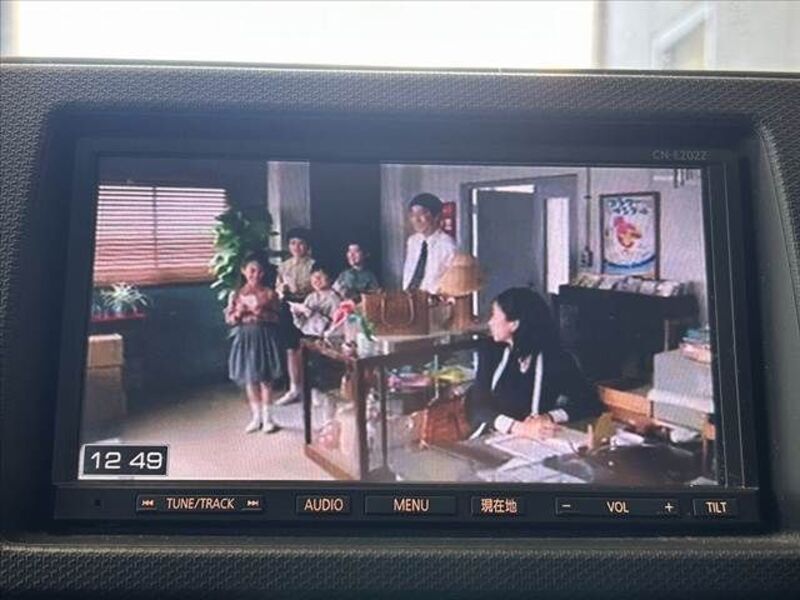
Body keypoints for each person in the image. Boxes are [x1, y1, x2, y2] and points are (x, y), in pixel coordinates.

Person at [465, 287, 601, 439]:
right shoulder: (491, 352)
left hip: (534, 441)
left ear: (514, 324)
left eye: (494, 315)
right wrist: (519, 428)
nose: (490, 322)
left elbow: (589, 403)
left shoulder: (555, 359)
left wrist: (549, 417)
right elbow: (479, 406)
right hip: (491, 437)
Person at [225, 253, 284, 434]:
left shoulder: (270, 293)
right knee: (250, 379)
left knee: (266, 379)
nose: (255, 275)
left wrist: (262, 314)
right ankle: (256, 417)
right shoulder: (236, 294)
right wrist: (239, 313)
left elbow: (277, 318)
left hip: (265, 336)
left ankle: (268, 418)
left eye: (259, 271)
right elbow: (230, 320)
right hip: (245, 338)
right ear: (244, 271)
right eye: (251, 270)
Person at [274, 227, 316, 405]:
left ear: (307, 246)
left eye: (300, 243)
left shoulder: (313, 265)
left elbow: (317, 286)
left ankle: (312, 388)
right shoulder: (283, 266)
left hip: (308, 307)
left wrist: (299, 289)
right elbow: (277, 289)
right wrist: (281, 290)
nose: (296, 247)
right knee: (291, 349)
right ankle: (294, 388)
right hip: (288, 307)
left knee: (309, 348)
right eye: (292, 243)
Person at [401, 193, 456, 294]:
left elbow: (452, 282)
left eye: (421, 214)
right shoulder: (412, 241)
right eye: (412, 215)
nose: (416, 219)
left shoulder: (448, 245)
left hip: (434, 300)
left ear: (436, 216)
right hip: (409, 297)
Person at [291, 266, 342, 337]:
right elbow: (302, 325)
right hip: (307, 337)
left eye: (321, 276)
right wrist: (297, 315)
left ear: (330, 279)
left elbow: (335, 327)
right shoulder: (310, 297)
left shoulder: (334, 299)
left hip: (325, 338)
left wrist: (312, 314)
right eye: (314, 276)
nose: (316, 279)